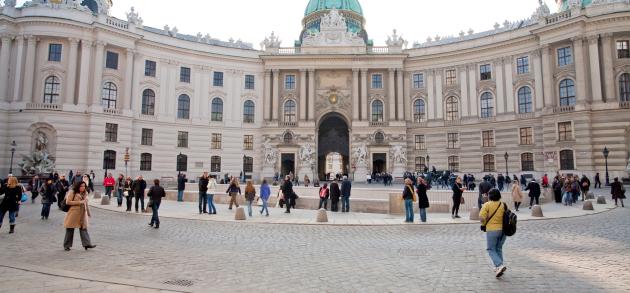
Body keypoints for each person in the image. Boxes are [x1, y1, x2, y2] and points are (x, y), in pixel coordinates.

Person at [479, 189, 508, 278]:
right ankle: (498, 267)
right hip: (504, 230)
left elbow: (481, 218)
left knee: (490, 249)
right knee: (498, 248)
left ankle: (499, 265)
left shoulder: (487, 205)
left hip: (492, 230)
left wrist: (484, 223)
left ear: (490, 196)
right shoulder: (503, 205)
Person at [63, 182, 96, 251]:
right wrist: (79, 202)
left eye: (84, 186)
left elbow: (85, 203)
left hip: (82, 213)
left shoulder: (85, 193)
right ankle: (67, 245)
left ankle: (87, 244)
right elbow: (68, 202)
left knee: (83, 228)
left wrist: (88, 213)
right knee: (70, 229)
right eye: (81, 186)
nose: (83, 188)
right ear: (78, 186)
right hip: (73, 213)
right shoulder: (72, 192)